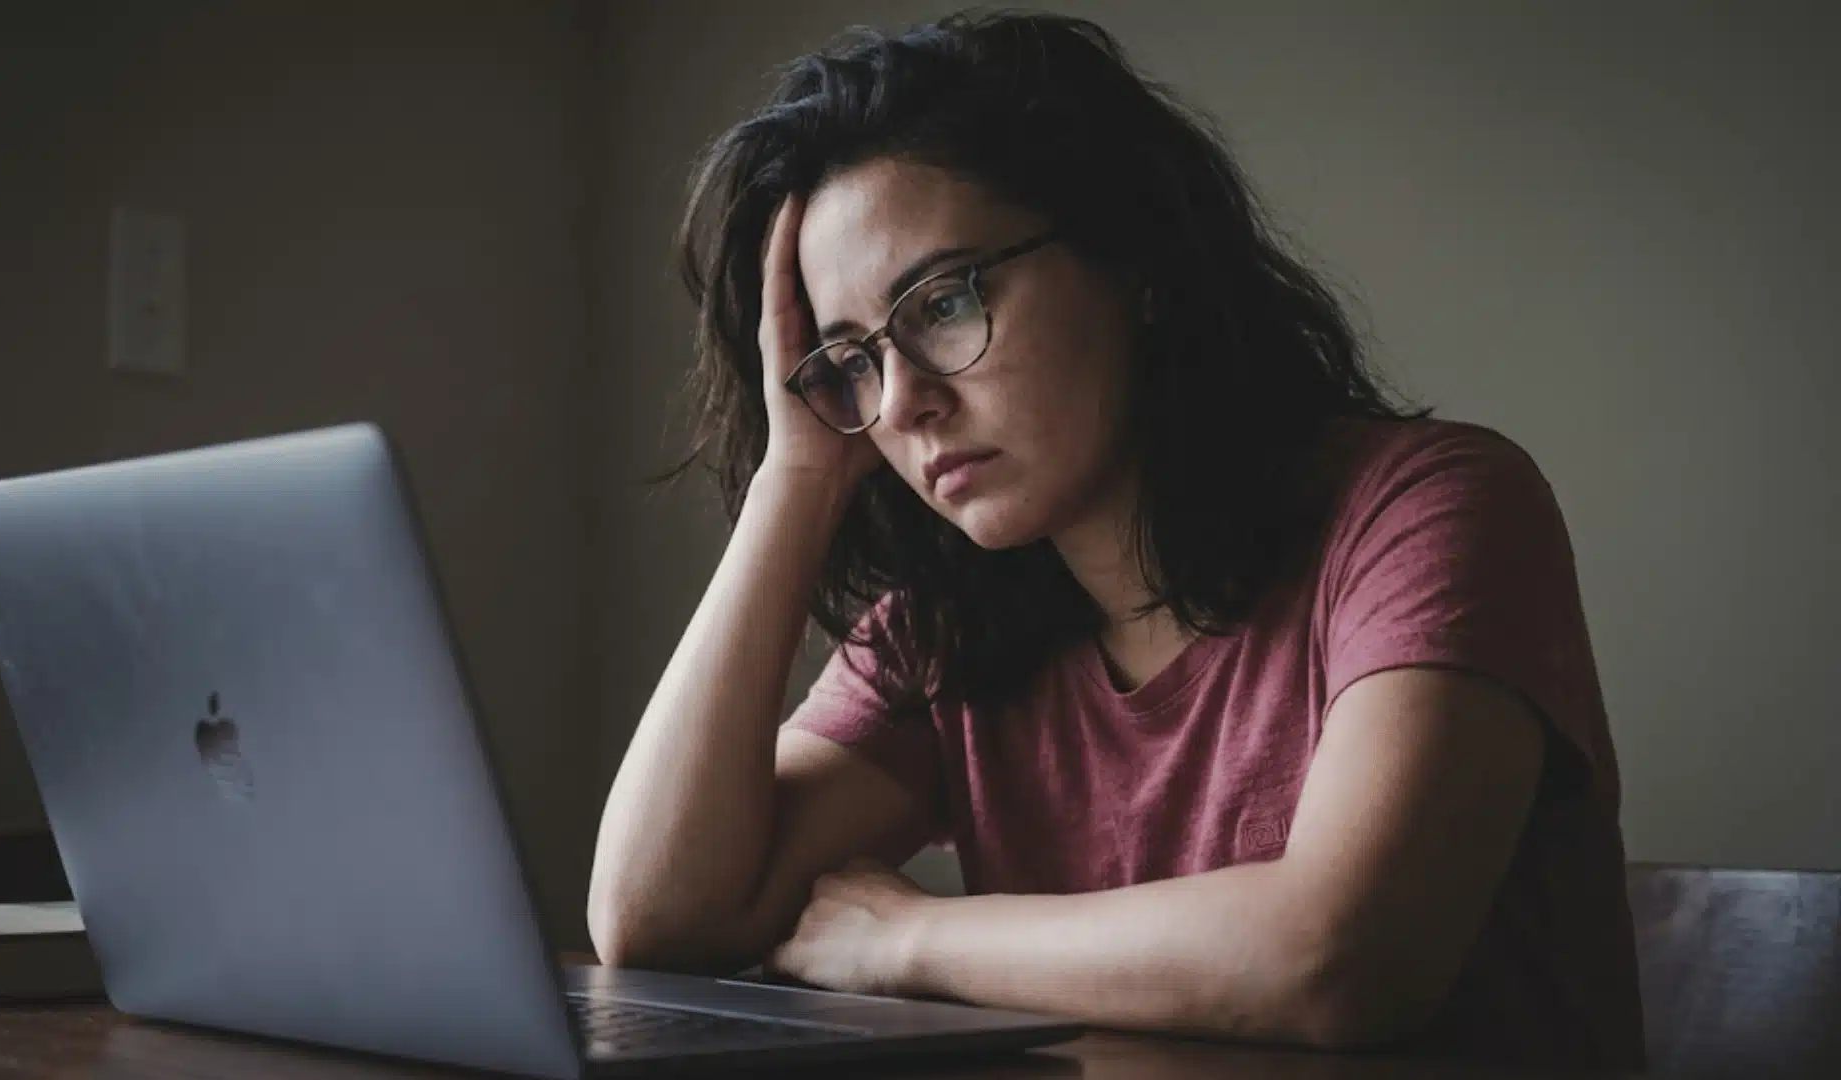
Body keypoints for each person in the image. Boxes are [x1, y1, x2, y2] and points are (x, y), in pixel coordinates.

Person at [587, 10, 1644, 1071]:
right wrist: (796, 475)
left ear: (1133, 257)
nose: (901, 402)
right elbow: (656, 919)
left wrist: (909, 939)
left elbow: (1338, 956)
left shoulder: (1428, 508)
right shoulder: (947, 631)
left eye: (945, 300)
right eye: (851, 361)